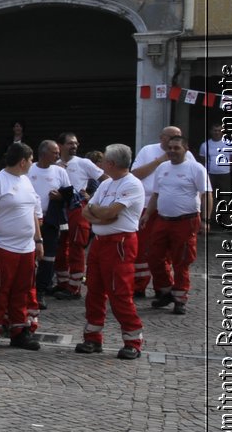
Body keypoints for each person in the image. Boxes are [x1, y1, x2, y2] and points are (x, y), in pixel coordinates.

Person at [75, 143, 146, 359]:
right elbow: (88, 211)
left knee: (119, 292)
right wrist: (101, 215)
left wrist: (101, 213)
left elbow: (110, 212)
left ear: (112, 163)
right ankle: (93, 338)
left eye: (105, 159)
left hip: (120, 243)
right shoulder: (107, 184)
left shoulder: (132, 184)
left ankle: (133, 340)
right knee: (94, 290)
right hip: (100, 242)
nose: (102, 162)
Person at [0, 142, 44, 350]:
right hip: (4, 246)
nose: (33, 163)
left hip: (27, 248)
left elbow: (33, 212)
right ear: (23, 161)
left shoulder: (26, 181)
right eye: (31, 160)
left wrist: (38, 240)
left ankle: (19, 331)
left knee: (22, 291)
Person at [145, 134, 212, 315]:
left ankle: (180, 299)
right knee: (154, 256)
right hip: (163, 219)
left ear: (185, 149)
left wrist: (206, 220)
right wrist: (147, 215)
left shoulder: (196, 168)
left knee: (181, 261)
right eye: (170, 148)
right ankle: (166, 291)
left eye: (176, 148)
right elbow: (156, 194)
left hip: (186, 221)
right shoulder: (162, 168)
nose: (172, 151)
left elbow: (207, 194)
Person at [129, 125, 190, 296]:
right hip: (147, 205)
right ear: (161, 137)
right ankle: (138, 286)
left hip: (172, 211)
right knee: (142, 248)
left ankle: (163, 288)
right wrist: (159, 160)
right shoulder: (148, 150)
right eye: (170, 137)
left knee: (166, 251)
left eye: (178, 137)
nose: (173, 142)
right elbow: (136, 174)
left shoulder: (187, 156)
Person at [25, 140, 72, 312]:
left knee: (49, 257)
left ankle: (41, 291)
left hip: (51, 221)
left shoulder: (60, 171)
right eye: (54, 152)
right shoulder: (29, 170)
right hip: (29, 220)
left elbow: (69, 195)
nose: (58, 156)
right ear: (43, 153)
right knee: (29, 256)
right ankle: (26, 290)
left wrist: (60, 197)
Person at [53, 132, 101, 298]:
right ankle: (62, 283)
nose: (74, 146)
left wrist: (94, 197)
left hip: (77, 208)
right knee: (59, 246)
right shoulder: (54, 165)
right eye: (70, 143)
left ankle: (75, 288)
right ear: (60, 146)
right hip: (59, 209)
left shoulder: (84, 163)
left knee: (76, 246)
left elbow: (106, 178)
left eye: (75, 143)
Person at [199, 121, 232, 225]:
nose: (216, 132)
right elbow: (202, 160)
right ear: (211, 132)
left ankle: (226, 220)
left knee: (225, 197)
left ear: (222, 132)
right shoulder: (205, 144)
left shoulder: (229, 143)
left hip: (224, 174)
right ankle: (209, 220)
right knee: (209, 197)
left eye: (219, 130)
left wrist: (228, 169)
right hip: (210, 174)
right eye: (215, 130)